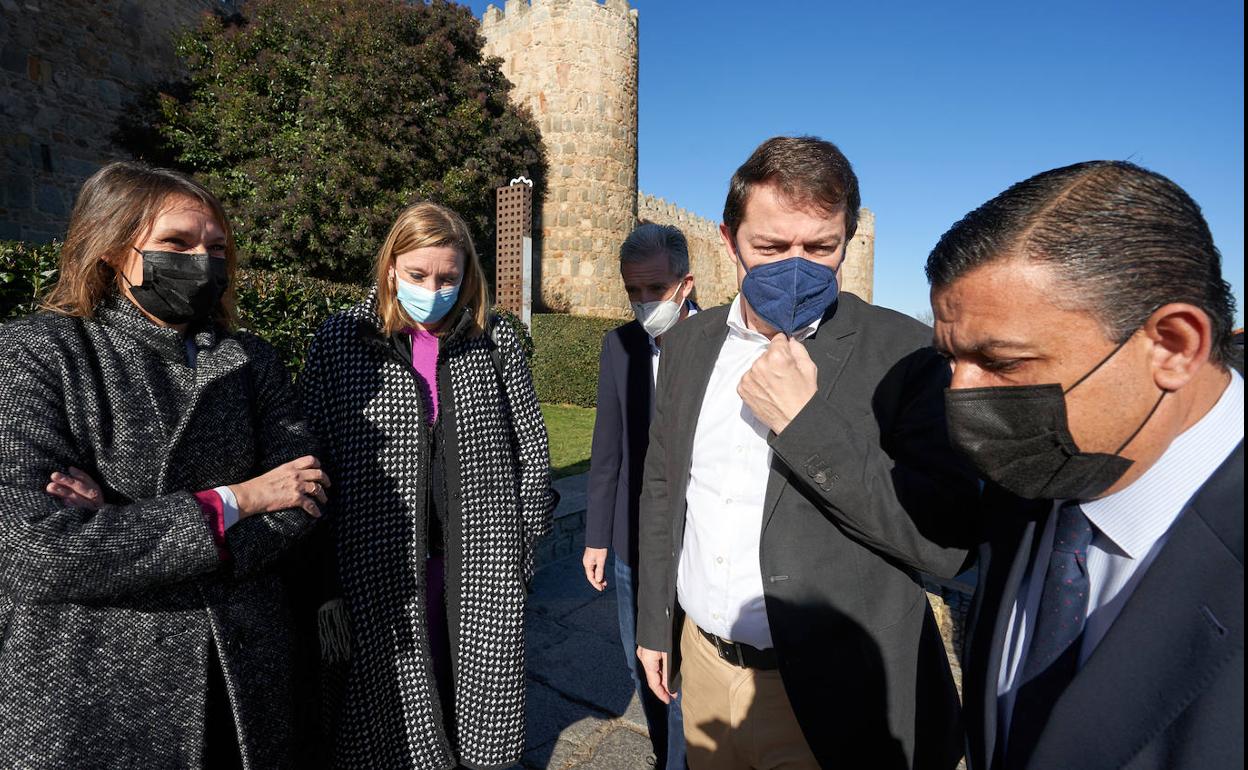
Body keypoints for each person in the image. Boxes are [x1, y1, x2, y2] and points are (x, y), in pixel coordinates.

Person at [635, 136, 980, 770]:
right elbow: (663, 486)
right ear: (727, 237)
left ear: (848, 238)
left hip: (832, 695)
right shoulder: (688, 347)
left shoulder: (904, 355)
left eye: (821, 247)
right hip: (705, 668)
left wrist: (803, 424)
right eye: (769, 247)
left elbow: (944, 540)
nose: (795, 265)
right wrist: (655, 623)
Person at [0, 161, 326, 768]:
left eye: (217, 247)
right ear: (112, 249)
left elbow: (303, 493)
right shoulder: (38, 355)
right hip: (95, 674)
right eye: (176, 243)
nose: (202, 259)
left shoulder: (250, 359)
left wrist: (120, 524)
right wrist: (237, 501)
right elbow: (36, 551)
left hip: (238, 667)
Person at [927, 160, 1243, 770]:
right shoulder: (1032, 477)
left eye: (1003, 363)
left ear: (1174, 346)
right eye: (951, 359)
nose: (962, 399)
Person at [300, 201, 557, 768]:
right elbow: (311, 454)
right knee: (388, 710)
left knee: (470, 702)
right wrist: (322, 570)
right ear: (391, 267)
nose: (433, 289)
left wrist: (523, 548)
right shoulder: (343, 340)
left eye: (448, 277)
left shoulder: (496, 340)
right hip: (377, 564)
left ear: (468, 275)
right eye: (418, 275)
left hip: (481, 559)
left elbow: (532, 454)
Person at [583, 222, 697, 770]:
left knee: (689, 672)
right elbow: (607, 450)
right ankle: (661, 753)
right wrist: (596, 537)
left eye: (655, 289)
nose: (644, 302)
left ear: (685, 283)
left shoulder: (723, 342)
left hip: (698, 542)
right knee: (641, 665)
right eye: (633, 291)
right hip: (631, 543)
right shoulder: (619, 346)